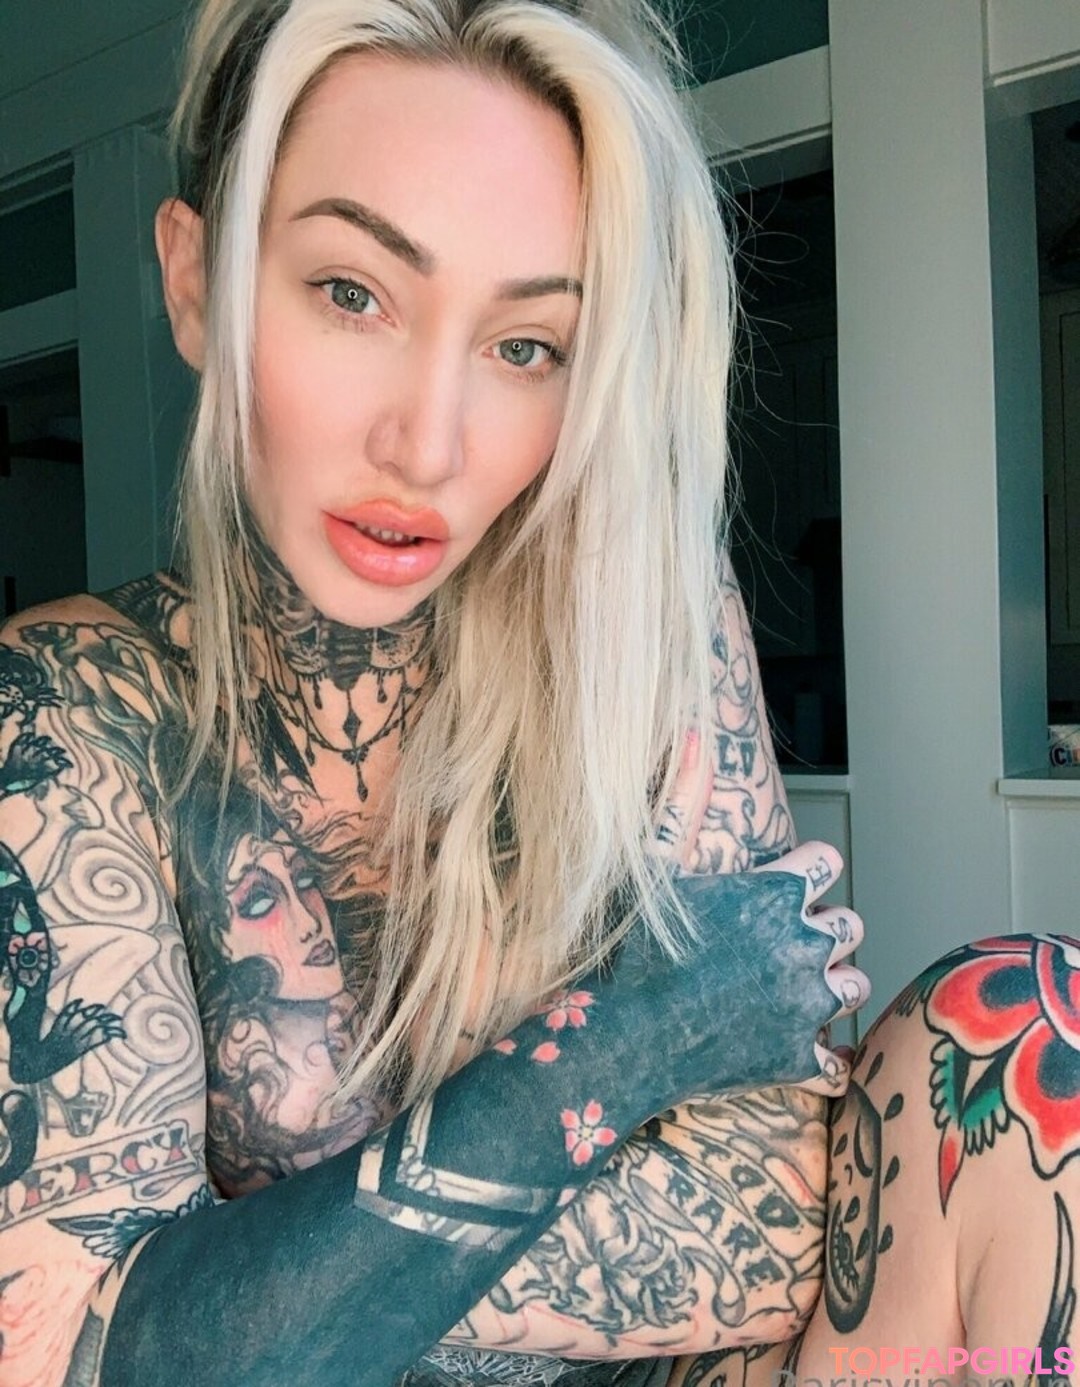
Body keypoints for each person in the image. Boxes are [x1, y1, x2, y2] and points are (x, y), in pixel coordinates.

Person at [0, 1, 1072, 1384]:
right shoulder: (73, 715)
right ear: (198, 282)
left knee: (1026, 1023)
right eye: (352, 293)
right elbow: (79, 1353)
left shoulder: (643, 639)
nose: (427, 443)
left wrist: (265, 1276)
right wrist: (619, 1047)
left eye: (527, 346)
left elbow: (794, 1198)